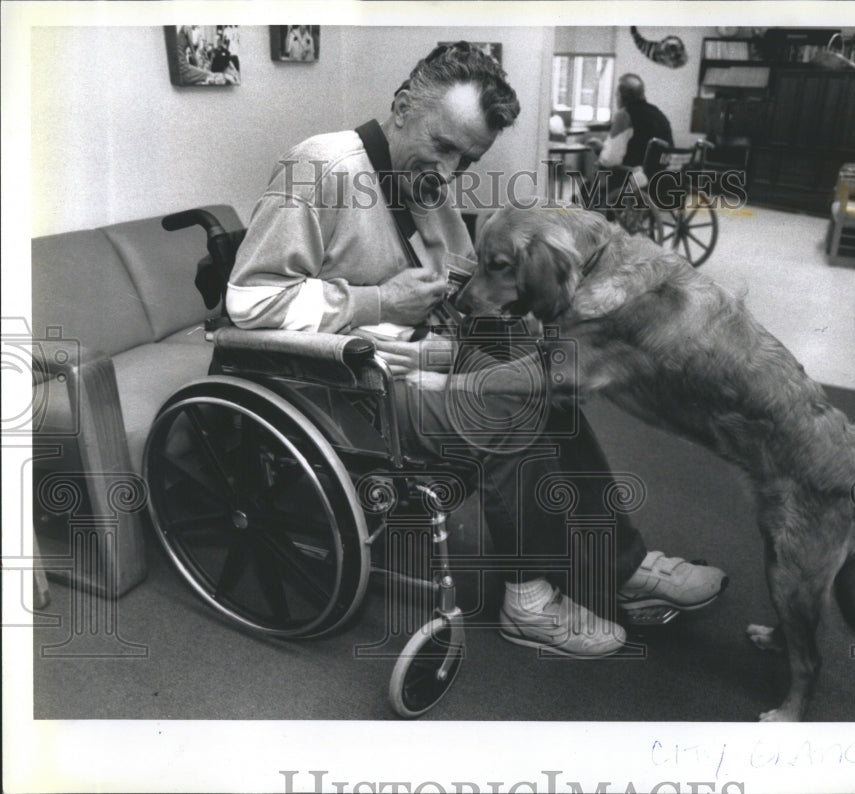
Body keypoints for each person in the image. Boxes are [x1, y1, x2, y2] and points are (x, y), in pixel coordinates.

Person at [227, 42, 726, 658]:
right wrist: (379, 302)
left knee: (552, 388)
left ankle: (622, 566)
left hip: (418, 357)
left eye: (467, 157)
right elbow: (249, 300)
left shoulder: (427, 183)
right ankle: (530, 602)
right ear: (404, 105)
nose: (449, 168)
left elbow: (458, 277)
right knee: (512, 409)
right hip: (343, 386)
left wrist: (482, 302)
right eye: (442, 146)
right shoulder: (320, 168)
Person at [585, 73, 674, 208]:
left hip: (633, 180)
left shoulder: (624, 115)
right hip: (662, 179)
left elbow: (610, 160)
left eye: (616, 95)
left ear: (621, 96)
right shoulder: (658, 114)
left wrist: (600, 152)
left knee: (586, 189)